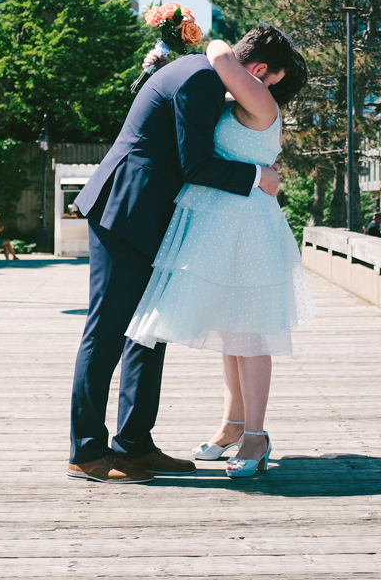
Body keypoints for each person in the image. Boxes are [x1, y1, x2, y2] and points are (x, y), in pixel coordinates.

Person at [68, 23, 293, 485]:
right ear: (257, 70)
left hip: (150, 217)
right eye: (267, 83)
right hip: (125, 209)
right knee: (107, 330)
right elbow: (194, 163)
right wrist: (257, 176)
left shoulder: (199, 73)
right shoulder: (201, 80)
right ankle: (87, 451)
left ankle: (134, 446)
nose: (261, 93)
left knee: (148, 333)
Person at [125, 34, 312, 480]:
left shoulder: (262, 101)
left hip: (245, 225)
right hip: (217, 222)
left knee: (249, 333)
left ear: (259, 72)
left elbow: (221, 53)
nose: (269, 86)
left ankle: (256, 435)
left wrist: (197, 36)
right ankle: (232, 424)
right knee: (231, 332)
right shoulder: (229, 98)